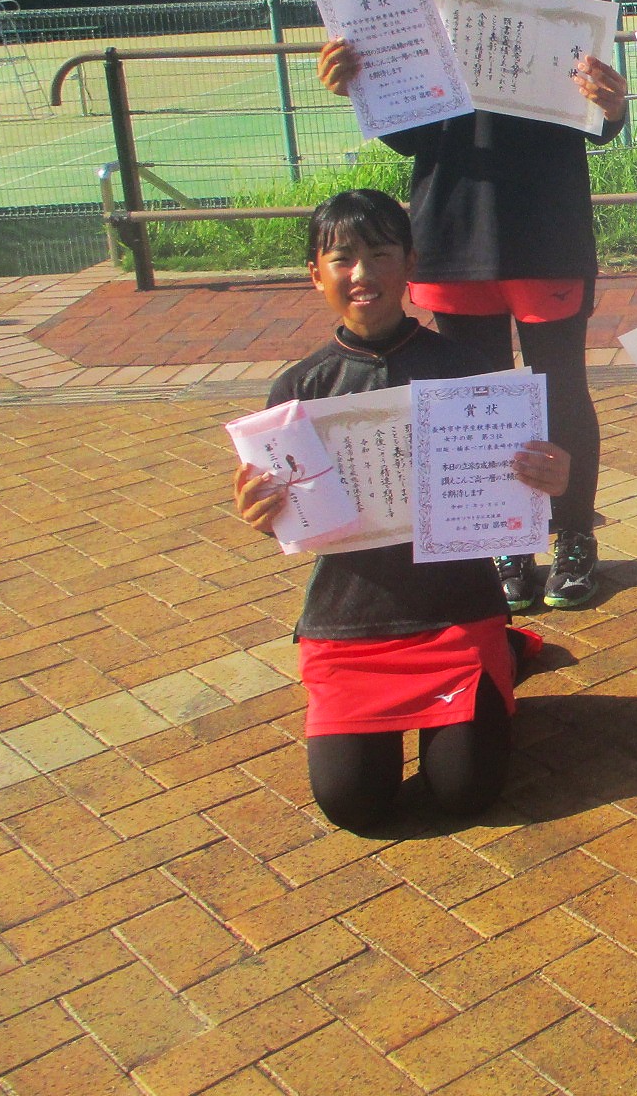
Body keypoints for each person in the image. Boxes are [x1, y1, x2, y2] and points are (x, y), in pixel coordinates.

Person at [316, 0, 626, 611]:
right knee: (474, 401)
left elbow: (594, 128)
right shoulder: (409, 7)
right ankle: (505, 543)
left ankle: (573, 538)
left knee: (561, 391)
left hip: (546, 229)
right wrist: (360, 86)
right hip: (452, 229)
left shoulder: (561, 3)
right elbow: (412, 137)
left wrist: (613, 105)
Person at [232, 190, 569, 832]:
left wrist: (550, 476)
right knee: (353, 803)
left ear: (410, 263)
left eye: (381, 255)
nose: (362, 274)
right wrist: (262, 510)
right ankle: (501, 662)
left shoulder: (466, 368)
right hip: (349, 625)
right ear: (316, 274)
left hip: (455, 615)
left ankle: (498, 653)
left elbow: (521, 478)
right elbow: (287, 517)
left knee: (465, 792)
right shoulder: (297, 391)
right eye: (342, 259)